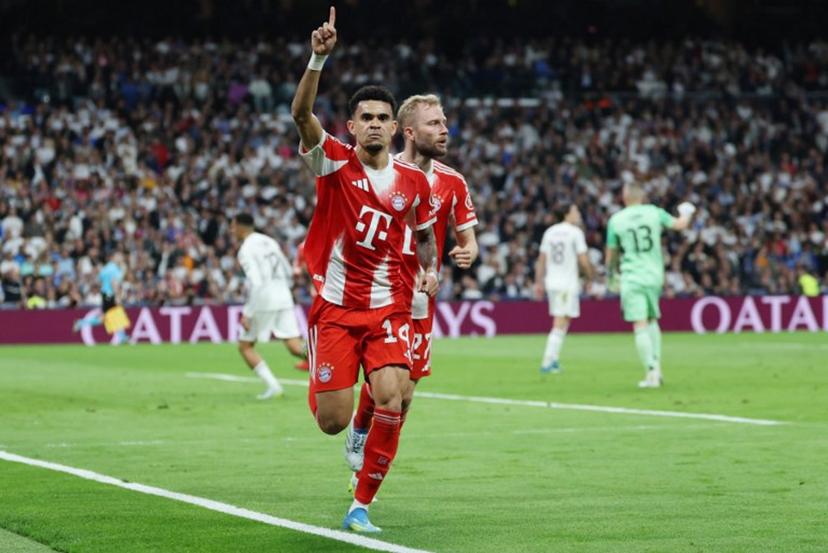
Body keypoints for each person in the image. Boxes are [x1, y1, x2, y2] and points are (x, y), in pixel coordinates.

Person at [291, 7, 439, 533]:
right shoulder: (332, 160)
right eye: (366, 117)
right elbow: (300, 114)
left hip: (388, 309)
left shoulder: (414, 182)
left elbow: (425, 235)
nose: (374, 123)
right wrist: (317, 58)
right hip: (335, 309)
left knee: (394, 396)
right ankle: (347, 418)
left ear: (395, 127)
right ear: (351, 126)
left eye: (382, 117)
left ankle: (361, 504)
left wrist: (430, 270)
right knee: (330, 422)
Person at [343, 93, 479, 489]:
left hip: (422, 298)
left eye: (444, 122)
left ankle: (368, 458)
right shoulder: (380, 171)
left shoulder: (452, 181)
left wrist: (467, 252)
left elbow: (468, 238)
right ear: (408, 132)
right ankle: (361, 437)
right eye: (434, 123)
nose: (444, 130)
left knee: (404, 398)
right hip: (383, 293)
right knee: (388, 386)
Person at [605, 182, 695, 388]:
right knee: (652, 320)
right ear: (642, 196)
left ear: (625, 197)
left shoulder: (616, 220)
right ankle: (657, 369)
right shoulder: (654, 212)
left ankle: (651, 371)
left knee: (640, 324)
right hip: (655, 275)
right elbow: (680, 225)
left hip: (632, 276)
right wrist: (687, 211)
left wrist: (611, 275)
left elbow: (611, 254)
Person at [232, 213, 306, 400]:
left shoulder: (245, 250)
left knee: (245, 346)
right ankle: (332, 365)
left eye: (233, 226)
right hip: (283, 295)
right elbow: (287, 270)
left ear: (240, 226)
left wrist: (248, 313)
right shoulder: (269, 241)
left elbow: (256, 282)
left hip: (264, 299)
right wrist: (284, 288)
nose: (232, 231)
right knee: (295, 347)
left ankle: (274, 387)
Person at [533, 203, 593, 373]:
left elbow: (541, 259)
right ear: (567, 214)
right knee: (560, 322)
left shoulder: (550, 232)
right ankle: (547, 362)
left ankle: (553, 359)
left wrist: (538, 282)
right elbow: (583, 260)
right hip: (566, 283)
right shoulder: (575, 232)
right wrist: (590, 277)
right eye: (575, 211)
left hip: (552, 281)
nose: (578, 213)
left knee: (564, 320)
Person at [73, 251, 130, 345]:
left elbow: (99, 281)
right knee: (117, 314)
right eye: (119, 256)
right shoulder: (114, 268)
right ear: (114, 257)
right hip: (110, 295)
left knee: (104, 318)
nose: (121, 258)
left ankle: (81, 323)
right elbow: (114, 283)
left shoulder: (105, 268)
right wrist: (117, 296)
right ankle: (123, 337)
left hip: (105, 294)